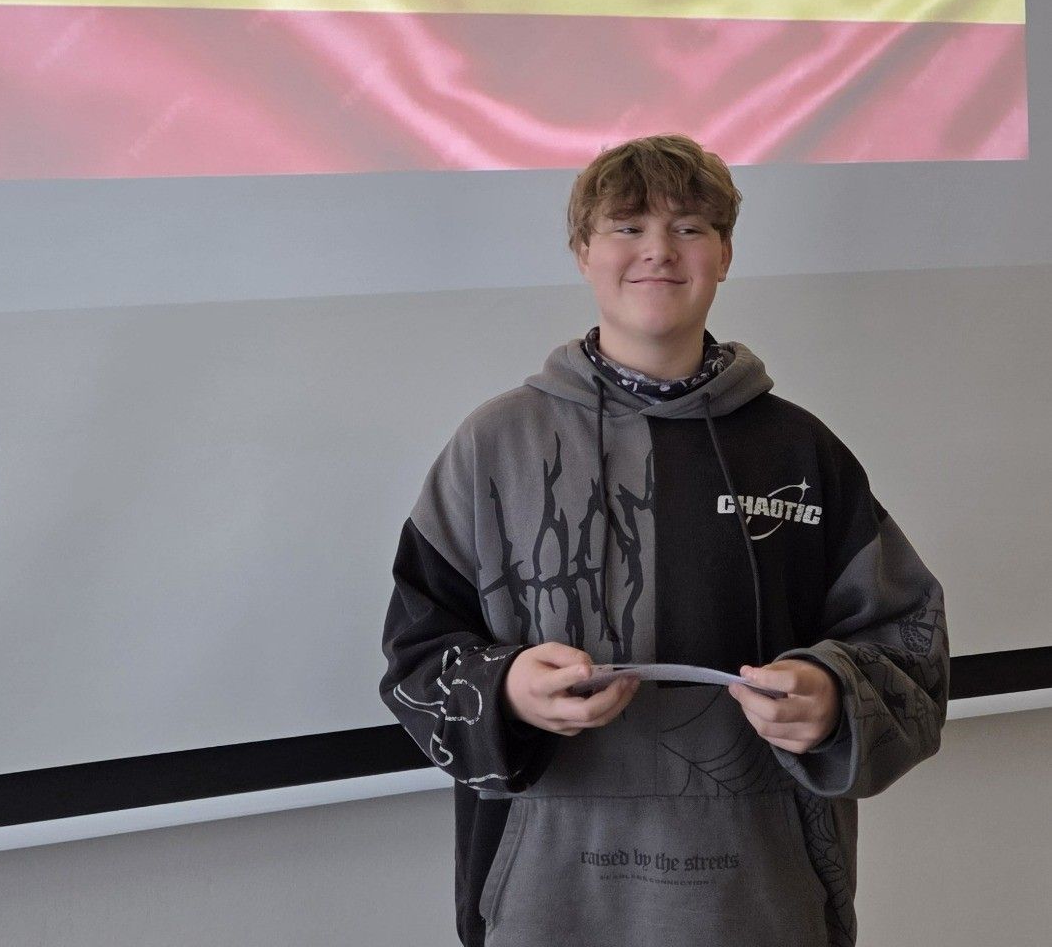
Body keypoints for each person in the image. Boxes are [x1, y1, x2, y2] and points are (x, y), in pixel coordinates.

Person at [380, 134, 947, 947]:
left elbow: (909, 646)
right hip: (547, 900)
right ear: (582, 252)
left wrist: (832, 694)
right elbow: (414, 657)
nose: (658, 250)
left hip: (760, 896)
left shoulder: (799, 450)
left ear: (724, 255)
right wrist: (506, 691)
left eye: (688, 227)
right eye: (626, 226)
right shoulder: (493, 446)